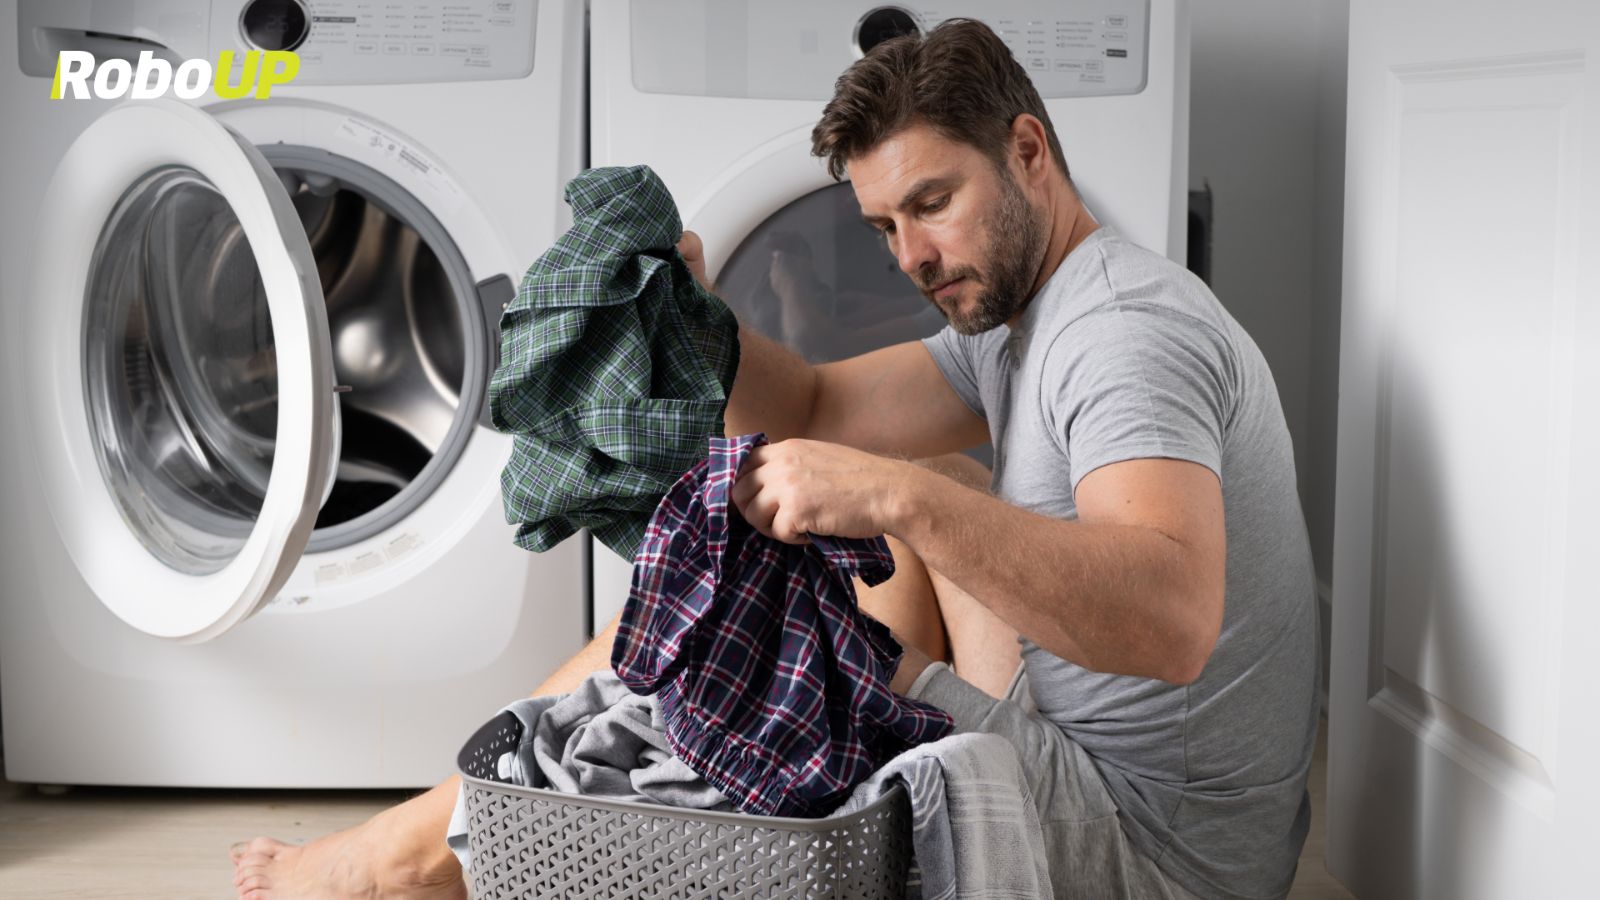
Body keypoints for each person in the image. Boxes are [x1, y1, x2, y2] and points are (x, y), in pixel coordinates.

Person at [231, 18, 1318, 900]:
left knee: (754, 613)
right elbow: (813, 403)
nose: (912, 257)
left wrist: (888, 493)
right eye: (885, 225)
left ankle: (417, 853)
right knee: (906, 499)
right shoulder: (1025, 320)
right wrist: (700, 318)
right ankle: (448, 832)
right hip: (1113, 775)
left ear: (1027, 153)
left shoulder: (1123, 333)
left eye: (933, 204)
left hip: (1146, 855)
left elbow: (1174, 622)